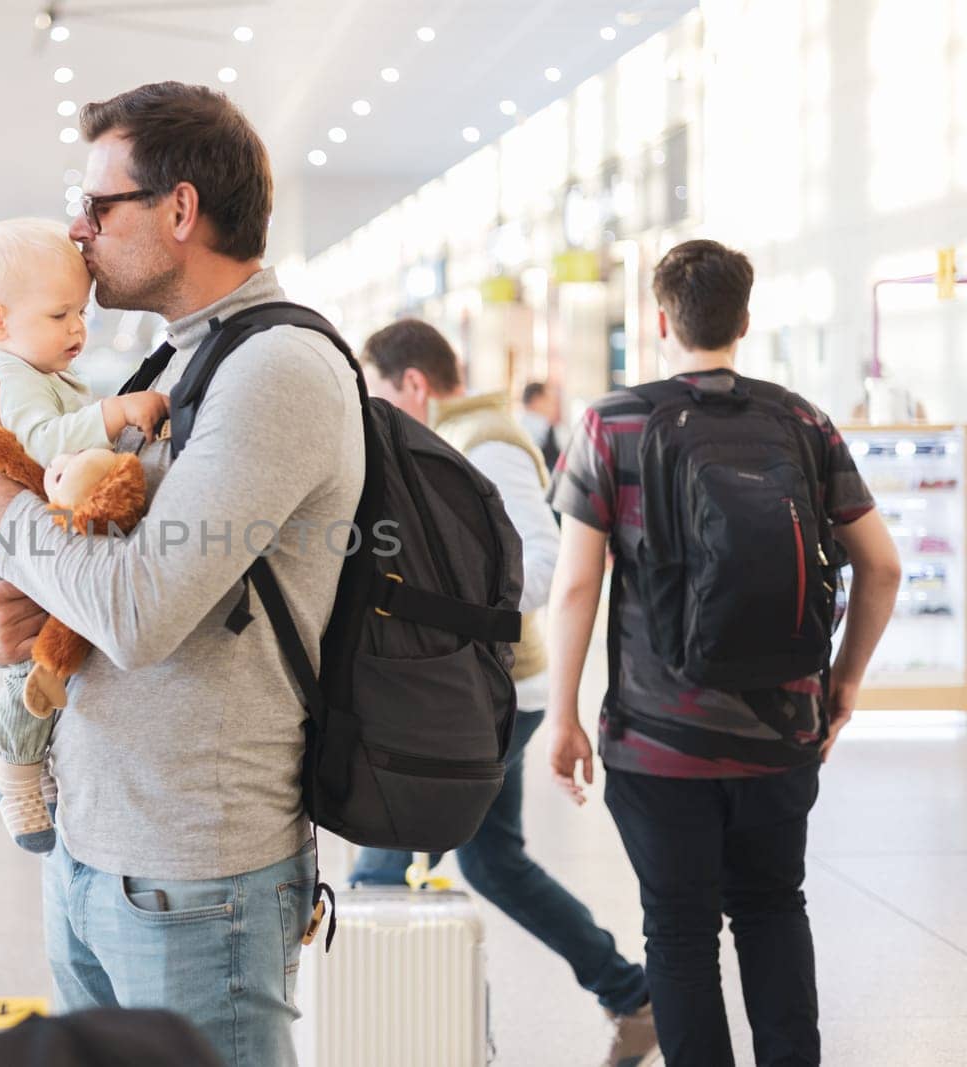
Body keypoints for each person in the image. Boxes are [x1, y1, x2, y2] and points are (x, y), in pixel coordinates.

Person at [0, 82, 364, 1065]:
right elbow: (84, 559)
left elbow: (135, 610)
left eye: (98, 206)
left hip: (195, 872)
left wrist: (0, 505)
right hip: (101, 843)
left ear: (178, 211)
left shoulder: (275, 371)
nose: (76, 231)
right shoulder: (176, 365)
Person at [546, 239, 902, 1067]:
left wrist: (562, 714)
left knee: (678, 933)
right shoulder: (802, 421)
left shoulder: (614, 422)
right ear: (745, 321)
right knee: (775, 908)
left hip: (656, 739)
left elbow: (574, 588)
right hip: (783, 729)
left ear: (660, 319)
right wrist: (842, 683)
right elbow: (881, 563)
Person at [349, 319, 656, 1066]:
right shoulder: (460, 433)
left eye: (383, 392)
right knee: (493, 861)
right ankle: (631, 994)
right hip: (483, 688)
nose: (381, 407)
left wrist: (435, 599)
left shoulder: (483, 442)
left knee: (383, 866)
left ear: (413, 384)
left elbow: (542, 561)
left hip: (488, 694)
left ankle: (445, 1044)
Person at [0, 217, 169, 852]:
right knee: (29, 666)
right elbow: (41, 448)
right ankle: (16, 771)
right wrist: (115, 413)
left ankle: (36, 766)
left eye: (81, 312)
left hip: (21, 536)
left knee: (46, 654)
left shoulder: (38, 369)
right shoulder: (6, 376)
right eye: (59, 314)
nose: (78, 328)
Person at [520, 381, 562, 471]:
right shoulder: (541, 426)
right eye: (548, 399)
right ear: (537, 400)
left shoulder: (517, 423)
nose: (552, 404)